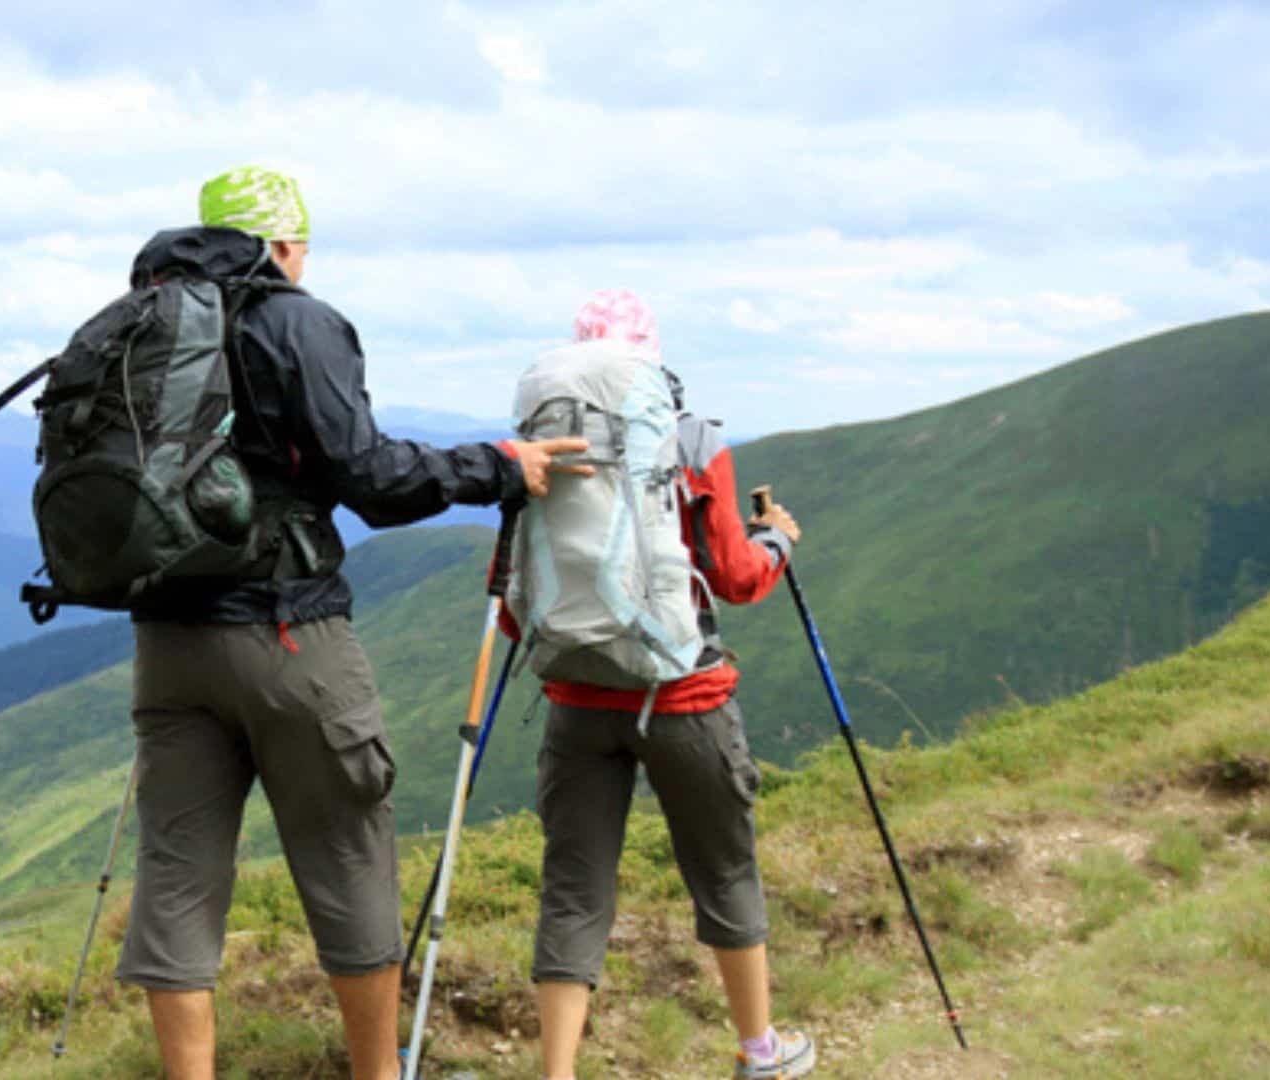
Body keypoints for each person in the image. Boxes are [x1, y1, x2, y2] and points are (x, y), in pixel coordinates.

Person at [112, 166, 590, 1080]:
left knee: (176, 872)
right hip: (289, 635)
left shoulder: (141, 323)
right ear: (285, 244)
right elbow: (369, 478)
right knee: (347, 856)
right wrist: (495, 467)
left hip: (165, 640)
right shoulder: (299, 319)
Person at [506, 289, 816, 1080]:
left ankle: (558, 1075)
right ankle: (760, 1053)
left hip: (576, 700)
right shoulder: (692, 438)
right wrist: (775, 542)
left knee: (573, 891)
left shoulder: (542, 443)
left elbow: (512, 604)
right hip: (684, 697)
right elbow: (738, 578)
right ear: (649, 356)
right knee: (723, 871)